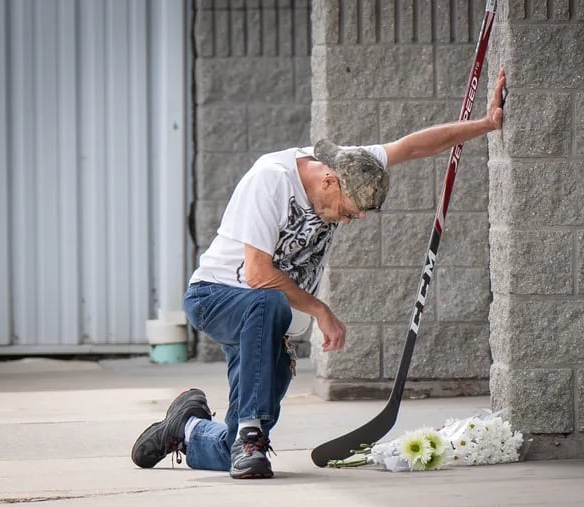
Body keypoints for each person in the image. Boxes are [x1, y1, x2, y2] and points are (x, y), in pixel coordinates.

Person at [131, 68, 507, 479]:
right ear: (329, 181)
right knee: (267, 305)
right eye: (347, 211)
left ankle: (185, 427)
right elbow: (257, 274)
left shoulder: (353, 165)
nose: (348, 220)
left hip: (269, 323)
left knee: (240, 446)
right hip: (216, 296)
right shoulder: (270, 179)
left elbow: (412, 148)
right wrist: (321, 311)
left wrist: (486, 125)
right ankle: (248, 431)